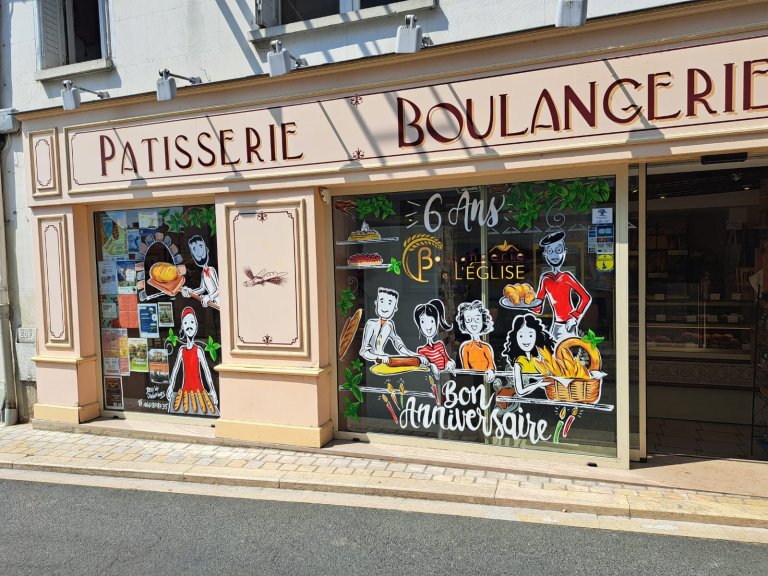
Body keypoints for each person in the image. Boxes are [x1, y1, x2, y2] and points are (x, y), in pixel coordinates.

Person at [532, 230, 591, 342]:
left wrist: (575, 317)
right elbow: (537, 307)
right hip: (556, 324)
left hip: (568, 324)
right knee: (553, 354)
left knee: (565, 354)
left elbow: (586, 297)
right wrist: (524, 304)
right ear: (545, 255)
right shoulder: (545, 279)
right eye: (550, 251)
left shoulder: (566, 277)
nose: (554, 255)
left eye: (558, 250)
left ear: (564, 252)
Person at [166, 307, 219, 416]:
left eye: (191, 322)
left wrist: (213, 391)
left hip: (200, 391)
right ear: (182, 327)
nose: (189, 326)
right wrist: (170, 387)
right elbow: (175, 371)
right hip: (185, 391)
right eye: (186, 323)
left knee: (203, 411)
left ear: (196, 325)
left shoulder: (199, 350)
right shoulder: (181, 350)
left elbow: (207, 373)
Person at [360, 287, 427, 366]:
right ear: (376, 303)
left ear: (395, 308)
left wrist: (415, 355)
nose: (385, 307)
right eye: (382, 301)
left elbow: (398, 344)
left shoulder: (389, 325)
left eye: (389, 303)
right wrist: (379, 357)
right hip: (371, 363)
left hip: (384, 362)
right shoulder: (371, 324)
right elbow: (364, 351)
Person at [500, 313, 554, 398]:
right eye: (521, 335)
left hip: (543, 398)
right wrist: (537, 384)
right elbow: (520, 391)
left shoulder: (537, 359)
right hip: (528, 401)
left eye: (530, 335)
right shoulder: (519, 363)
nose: (526, 340)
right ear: (515, 337)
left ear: (537, 336)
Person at [413, 299, 455, 376]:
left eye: (432, 321)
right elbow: (422, 368)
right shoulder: (421, 350)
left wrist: (450, 363)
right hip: (431, 382)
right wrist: (431, 365)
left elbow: (446, 360)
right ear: (419, 326)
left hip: (444, 378)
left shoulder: (440, 345)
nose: (428, 326)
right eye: (423, 322)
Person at [456, 300, 495, 382]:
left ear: (483, 320)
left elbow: (491, 364)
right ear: (464, 323)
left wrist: (491, 371)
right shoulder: (465, 348)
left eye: (477, 319)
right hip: (473, 381)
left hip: (487, 379)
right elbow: (466, 369)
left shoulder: (485, 347)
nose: (473, 324)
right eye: (469, 320)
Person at [181, 235, 220, 308]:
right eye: (194, 249)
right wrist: (190, 292)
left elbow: (218, 289)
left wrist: (209, 297)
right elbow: (202, 288)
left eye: (201, 246)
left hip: (220, 302)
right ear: (193, 256)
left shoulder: (211, 269)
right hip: (215, 303)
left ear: (206, 250)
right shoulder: (203, 273)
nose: (199, 252)